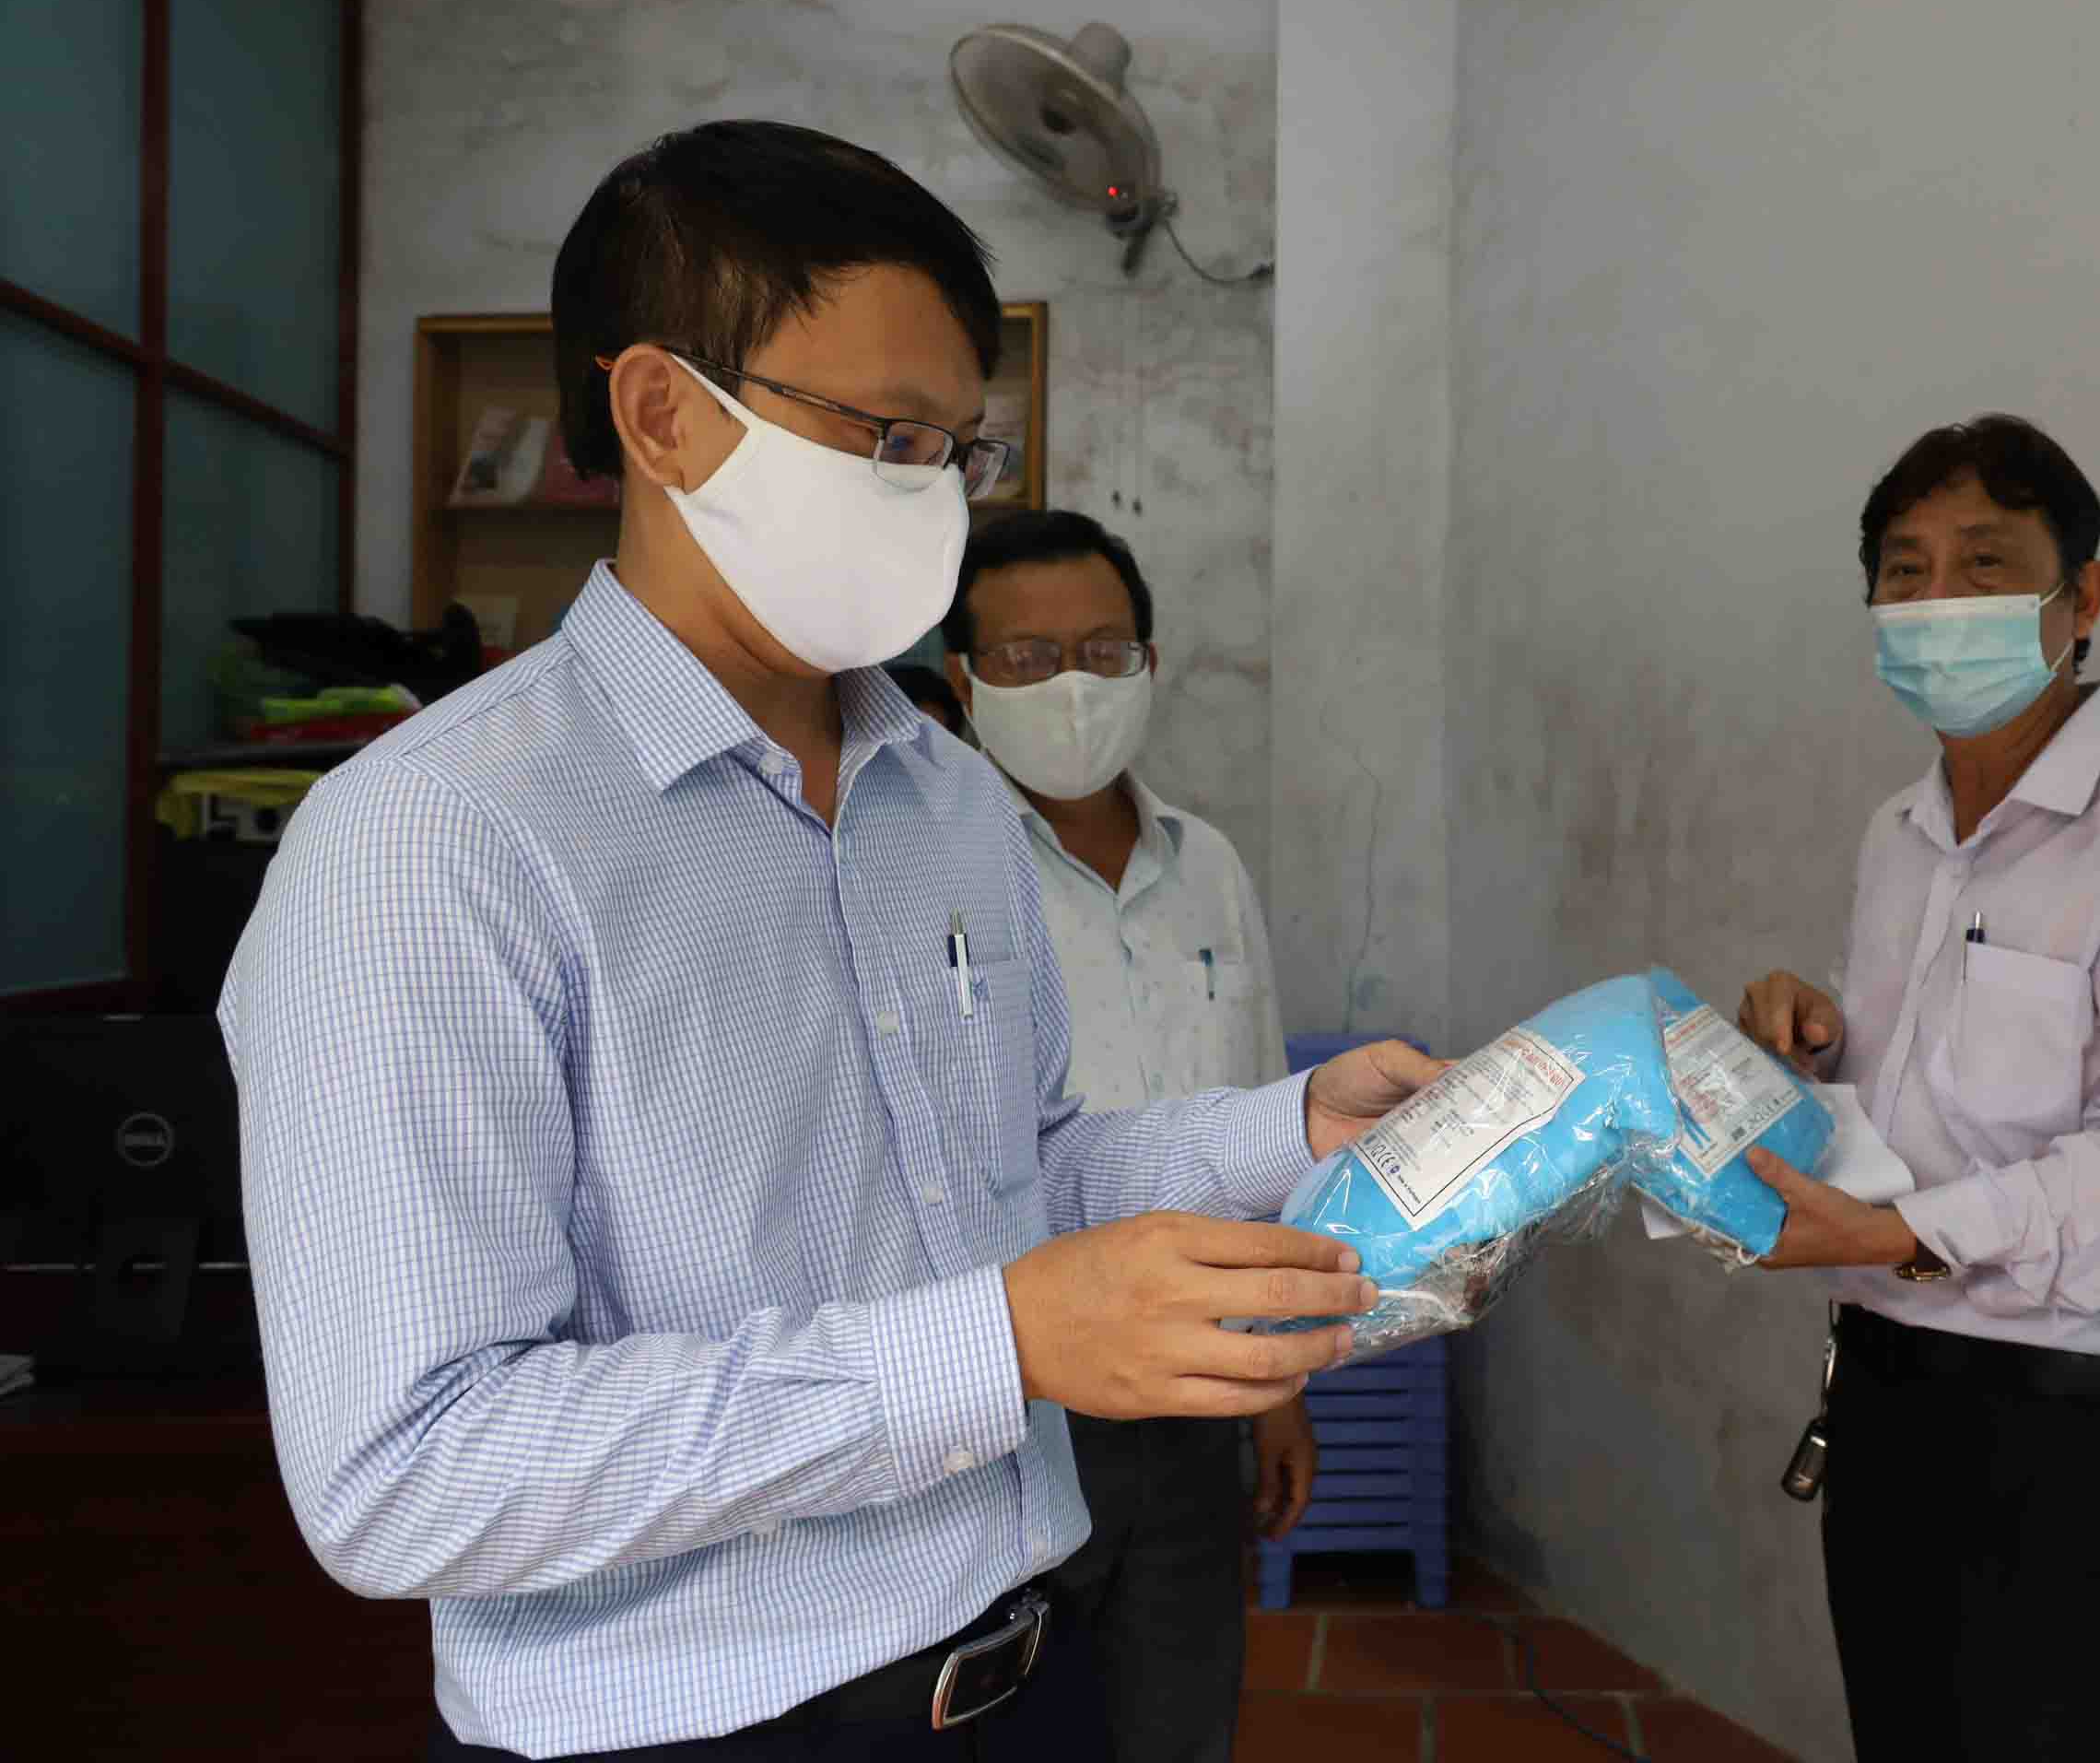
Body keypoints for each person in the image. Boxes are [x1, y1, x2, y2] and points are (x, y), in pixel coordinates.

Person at [219, 120, 1441, 1763]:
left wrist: (1283, 1134)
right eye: (888, 435)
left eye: (959, 450)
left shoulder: (941, 794)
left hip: (1032, 1659)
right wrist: (1000, 1342)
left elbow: (1016, 1173)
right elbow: (410, 1472)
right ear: (664, 414)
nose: (934, 496)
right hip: (696, 1728)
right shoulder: (432, 843)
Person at [1735, 415, 2100, 1763]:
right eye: (1904, 572)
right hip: (1896, 1400)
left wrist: (1913, 1234)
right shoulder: (1903, 834)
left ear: (2080, 598)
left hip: (2079, 1437)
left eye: (1985, 562)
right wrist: (1817, 1052)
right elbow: (1936, 1111)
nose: (1939, 602)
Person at [944, 510, 1315, 1763]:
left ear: (1150, 664)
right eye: (1027, 659)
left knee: (1180, 1718)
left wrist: (1280, 1383)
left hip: (1203, 1390)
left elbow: (1259, 1113)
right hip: (1004, 1405)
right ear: (962, 681)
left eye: (1104, 652)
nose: (1072, 688)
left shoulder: (1206, 864)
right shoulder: (925, 876)